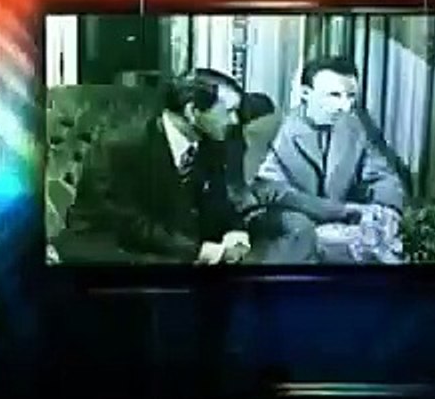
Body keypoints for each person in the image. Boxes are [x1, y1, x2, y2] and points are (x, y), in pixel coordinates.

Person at [101, 68, 316, 265]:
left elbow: (220, 201)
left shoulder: (214, 144)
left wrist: (235, 234)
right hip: (137, 253)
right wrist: (199, 251)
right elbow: (128, 225)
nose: (234, 120)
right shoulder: (125, 147)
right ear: (192, 112)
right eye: (228, 111)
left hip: (195, 250)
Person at [255, 56, 406, 263]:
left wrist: (387, 210)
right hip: (289, 233)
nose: (345, 106)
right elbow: (273, 191)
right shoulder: (273, 130)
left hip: (343, 234)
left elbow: (382, 175)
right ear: (305, 93)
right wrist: (339, 211)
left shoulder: (356, 125)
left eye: (351, 96)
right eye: (334, 95)